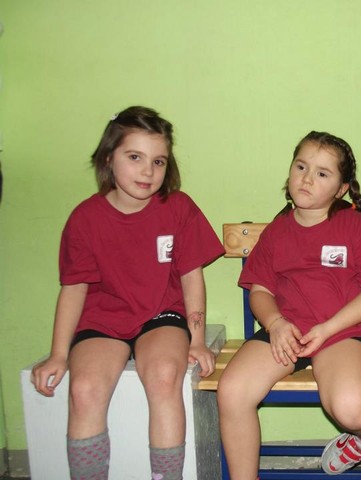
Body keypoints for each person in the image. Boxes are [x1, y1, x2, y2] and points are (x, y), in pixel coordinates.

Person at [31, 106, 225, 480]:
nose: (147, 171)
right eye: (135, 157)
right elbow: (73, 288)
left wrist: (197, 340)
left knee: (165, 375)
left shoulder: (178, 208)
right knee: (84, 388)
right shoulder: (85, 218)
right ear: (109, 158)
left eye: (158, 161)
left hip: (161, 315)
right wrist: (58, 354)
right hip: (104, 318)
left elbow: (191, 277)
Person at [217, 131, 361, 479]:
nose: (307, 178)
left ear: (342, 189)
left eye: (322, 173)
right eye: (301, 167)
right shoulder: (276, 232)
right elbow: (260, 291)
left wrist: (327, 329)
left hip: (341, 332)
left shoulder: (360, 227)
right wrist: (275, 324)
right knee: (232, 391)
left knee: (352, 411)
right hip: (287, 330)